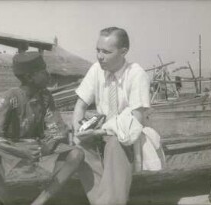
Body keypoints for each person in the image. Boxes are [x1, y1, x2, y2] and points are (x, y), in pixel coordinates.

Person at [0, 51, 84, 205]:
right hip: (12, 149)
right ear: (29, 77)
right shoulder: (11, 97)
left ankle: (39, 201)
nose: (48, 75)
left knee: (77, 154)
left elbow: (58, 128)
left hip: (39, 147)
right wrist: (20, 150)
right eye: (43, 72)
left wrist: (49, 143)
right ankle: (8, 202)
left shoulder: (46, 96)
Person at [72, 27, 151, 205]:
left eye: (106, 52)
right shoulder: (96, 69)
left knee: (115, 143)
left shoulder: (136, 74)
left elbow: (135, 120)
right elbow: (80, 104)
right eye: (98, 50)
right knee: (79, 147)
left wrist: (100, 133)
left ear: (123, 52)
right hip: (100, 133)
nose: (100, 56)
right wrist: (78, 128)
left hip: (128, 135)